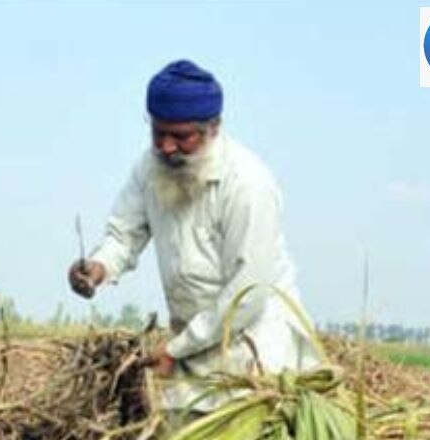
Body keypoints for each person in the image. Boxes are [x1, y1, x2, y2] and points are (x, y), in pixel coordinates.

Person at [68, 59, 320, 410]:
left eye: (181, 137)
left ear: (212, 128)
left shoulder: (247, 184)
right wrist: (98, 267)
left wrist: (177, 348)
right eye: (159, 133)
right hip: (190, 344)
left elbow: (247, 295)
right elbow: (124, 234)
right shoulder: (150, 167)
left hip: (254, 350)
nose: (167, 147)